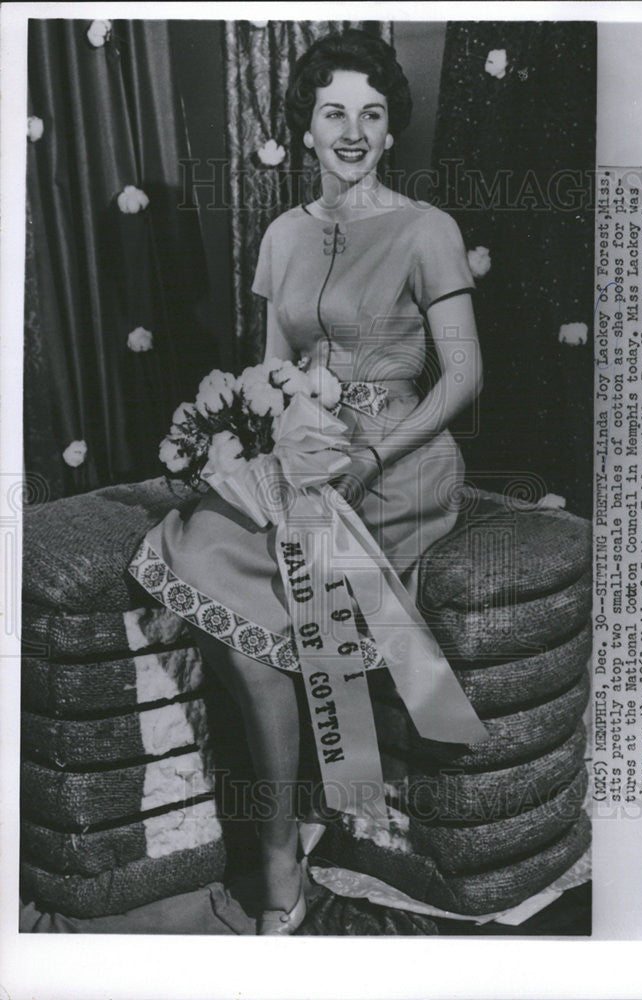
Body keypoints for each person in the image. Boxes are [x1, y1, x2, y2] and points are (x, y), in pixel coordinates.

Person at [129, 29, 483, 934]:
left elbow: (463, 377)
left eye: (372, 114)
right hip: (303, 454)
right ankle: (285, 836)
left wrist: (369, 456)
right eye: (335, 113)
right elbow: (270, 370)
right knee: (206, 546)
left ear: (390, 130)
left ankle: (287, 844)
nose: (353, 130)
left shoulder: (426, 229)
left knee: (292, 581)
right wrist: (248, 450)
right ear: (309, 127)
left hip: (395, 461)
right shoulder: (284, 234)